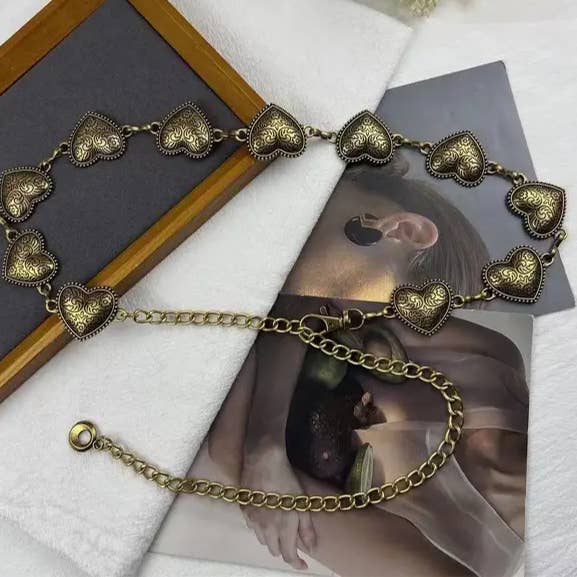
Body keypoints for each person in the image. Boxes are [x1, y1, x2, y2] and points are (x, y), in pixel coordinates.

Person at [205, 158, 528, 577]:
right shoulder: (497, 364)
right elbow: (312, 297)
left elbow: (230, 454)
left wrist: (261, 441)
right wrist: (265, 440)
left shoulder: (451, 566)